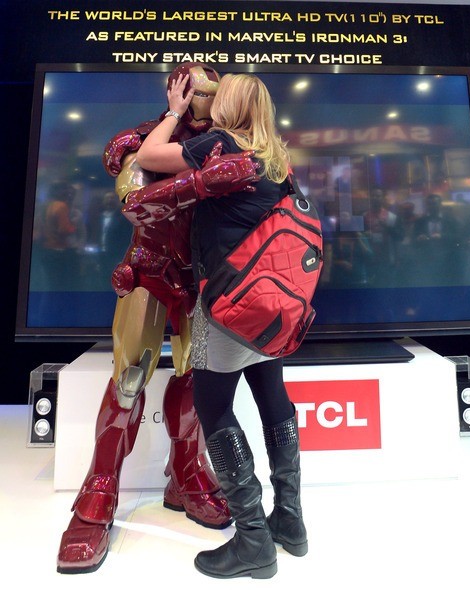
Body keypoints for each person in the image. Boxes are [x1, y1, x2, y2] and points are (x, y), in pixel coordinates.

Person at [56, 63, 260, 574]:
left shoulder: (229, 144)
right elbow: (134, 202)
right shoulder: (146, 141)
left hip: (202, 279)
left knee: (196, 376)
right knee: (129, 378)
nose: (206, 96)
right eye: (196, 87)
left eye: (213, 87)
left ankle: (186, 473)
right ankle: (99, 489)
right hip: (149, 272)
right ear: (178, 90)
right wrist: (203, 180)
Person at [136, 72, 309, 579]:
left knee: (213, 408)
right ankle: (290, 521)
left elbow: (148, 157)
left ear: (228, 105)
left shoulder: (220, 145)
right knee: (274, 399)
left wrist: (174, 111)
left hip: (228, 303)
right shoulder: (277, 156)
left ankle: (253, 540)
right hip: (273, 307)